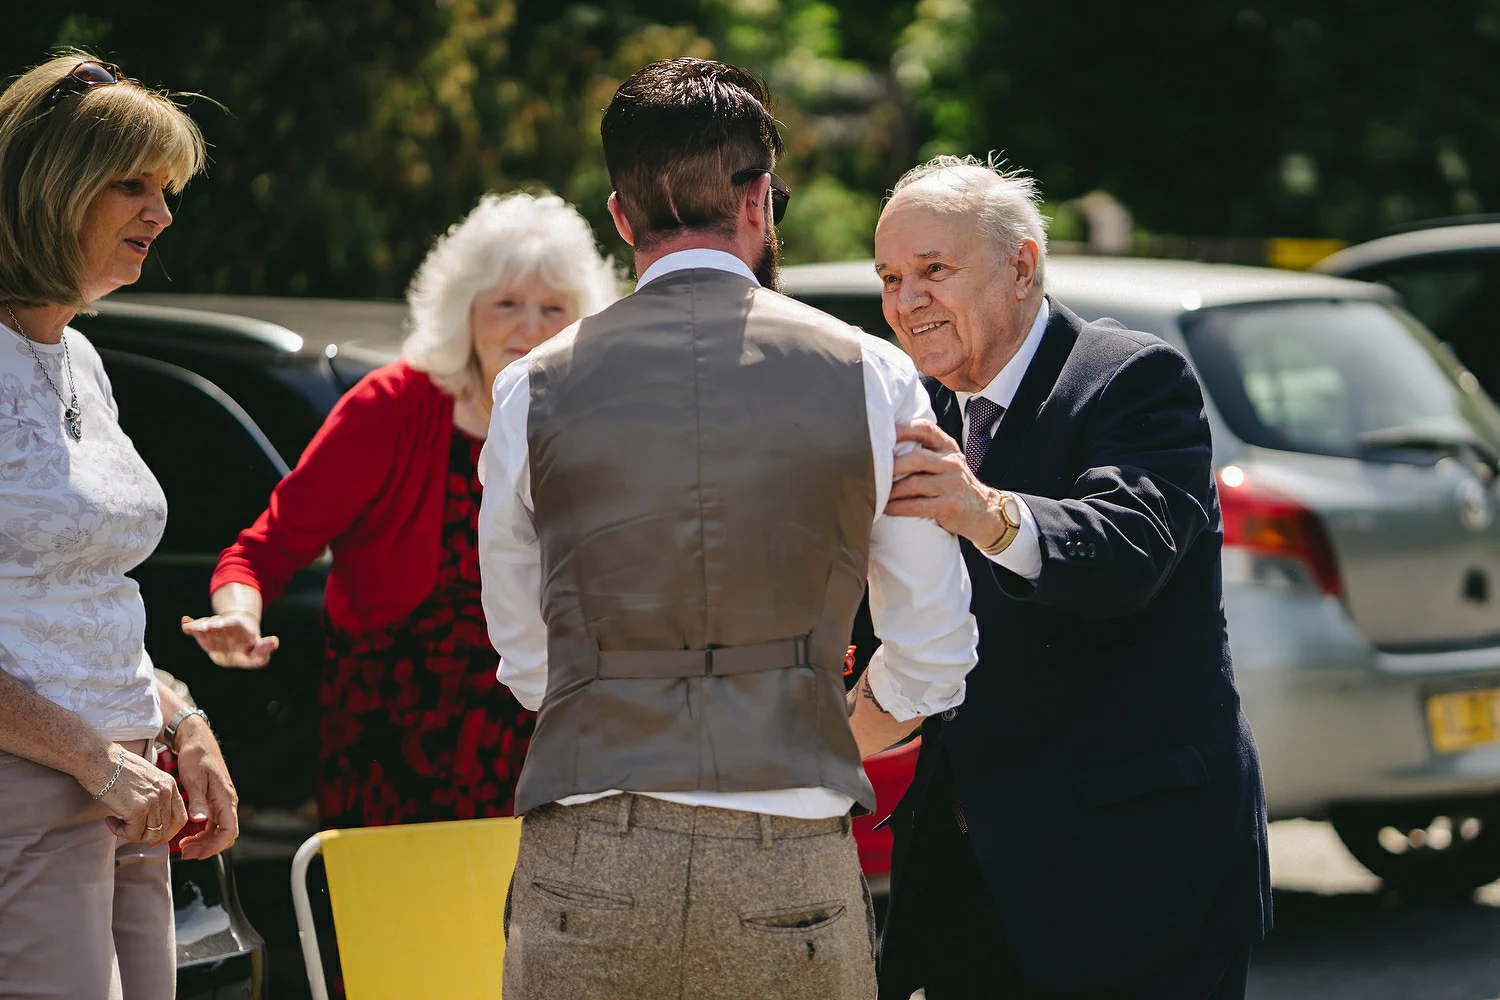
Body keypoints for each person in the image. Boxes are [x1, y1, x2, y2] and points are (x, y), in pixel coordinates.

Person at [478, 58, 978, 1000]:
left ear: (621, 219)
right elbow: (934, 648)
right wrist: (821, 731)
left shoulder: (532, 385)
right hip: (785, 852)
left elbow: (522, 646)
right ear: (759, 202)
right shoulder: (873, 374)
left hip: (592, 847)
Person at [869, 155, 1272, 1000]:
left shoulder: (1131, 376)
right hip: (970, 883)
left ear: (1022, 264)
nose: (906, 301)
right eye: (891, 277)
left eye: (934, 270)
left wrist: (987, 512)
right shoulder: (918, 413)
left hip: (1136, 883)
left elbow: (1127, 548)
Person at [181, 191, 619, 827]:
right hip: (395, 756)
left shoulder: (590, 424)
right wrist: (239, 617)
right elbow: (259, 553)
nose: (529, 327)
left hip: (544, 755)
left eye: (553, 308)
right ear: (464, 310)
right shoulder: (390, 408)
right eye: (507, 303)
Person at [0, 52, 239, 998]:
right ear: (49, 189)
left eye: (168, 188)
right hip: (35, 789)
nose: (163, 213)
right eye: (131, 186)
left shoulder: (84, 358)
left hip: (130, 787)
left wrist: (184, 721)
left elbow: (91, 596)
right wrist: (92, 758)